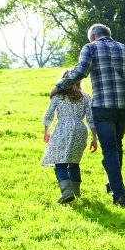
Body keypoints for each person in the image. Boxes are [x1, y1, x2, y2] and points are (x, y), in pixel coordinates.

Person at [50, 23, 125, 207]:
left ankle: (119, 194)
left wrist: (59, 86)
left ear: (92, 37)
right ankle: (112, 184)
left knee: (109, 149)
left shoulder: (90, 48)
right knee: (116, 145)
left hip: (103, 106)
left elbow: (80, 72)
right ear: (108, 35)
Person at [42, 69, 98, 204]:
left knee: (60, 161)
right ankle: (76, 191)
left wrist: (46, 131)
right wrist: (94, 138)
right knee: (74, 162)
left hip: (62, 128)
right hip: (80, 129)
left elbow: (49, 114)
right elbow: (91, 119)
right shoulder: (85, 97)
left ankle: (67, 191)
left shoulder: (58, 96)